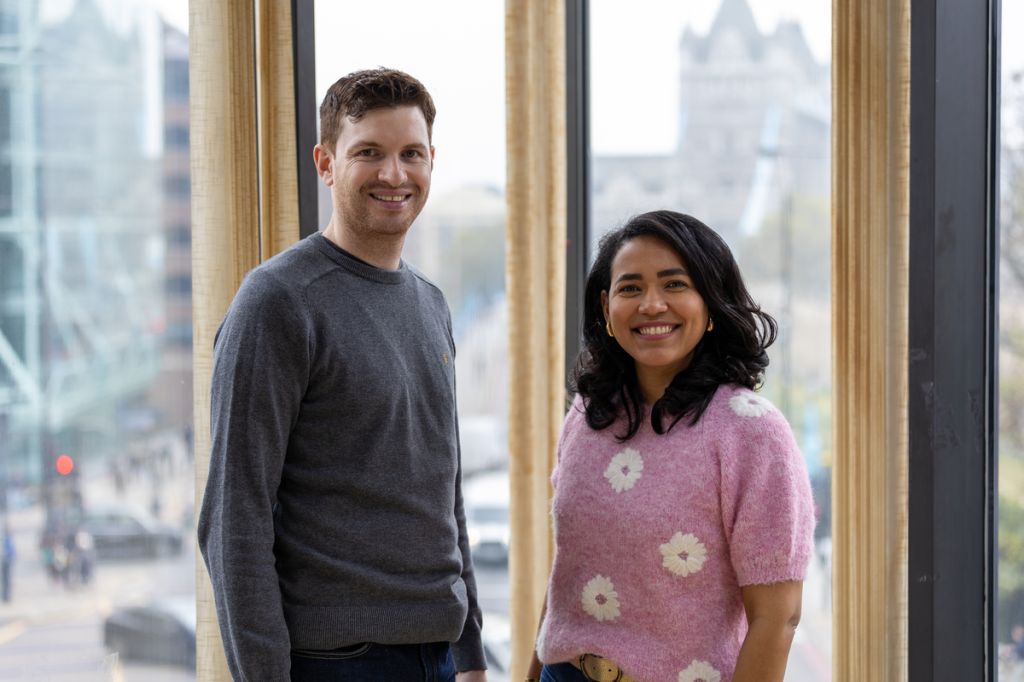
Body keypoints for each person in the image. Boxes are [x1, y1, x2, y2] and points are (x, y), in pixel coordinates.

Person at [198, 68, 487, 682]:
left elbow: (444, 491)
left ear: (432, 161)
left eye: (411, 154)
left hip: (435, 652)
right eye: (368, 153)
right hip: (335, 662)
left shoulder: (430, 303)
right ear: (326, 163)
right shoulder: (277, 301)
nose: (393, 174)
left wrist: (470, 654)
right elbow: (234, 516)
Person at [526, 211, 815, 682]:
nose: (652, 304)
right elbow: (567, 572)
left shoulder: (752, 433)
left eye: (675, 285)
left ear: (711, 302)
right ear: (606, 306)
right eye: (630, 288)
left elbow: (777, 618)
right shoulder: (587, 414)